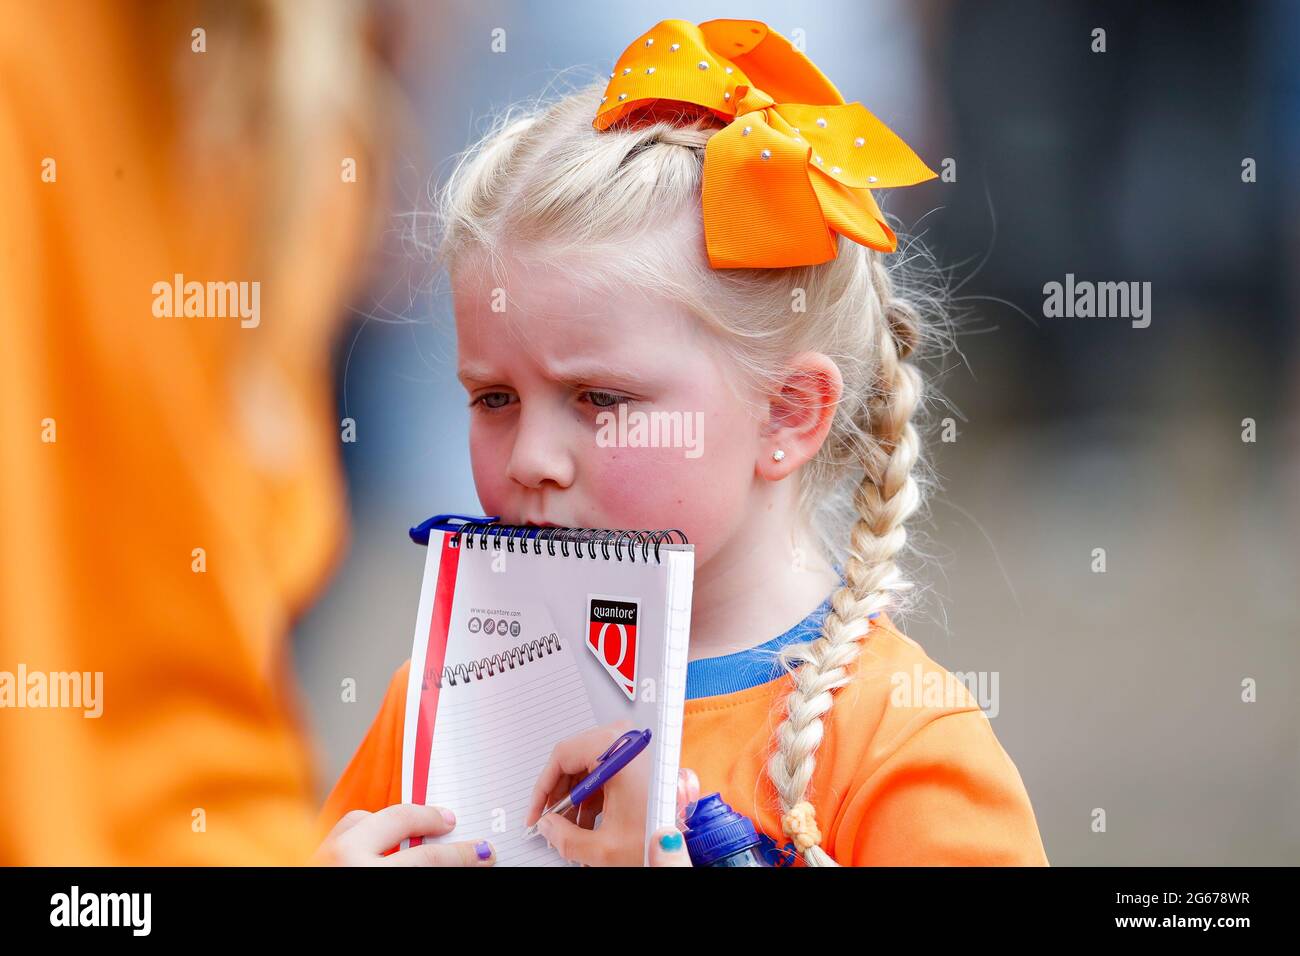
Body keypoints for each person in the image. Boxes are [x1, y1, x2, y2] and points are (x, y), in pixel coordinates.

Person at [319, 18, 1049, 866]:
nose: (528, 459)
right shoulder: (440, 705)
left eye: (599, 399)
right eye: (494, 397)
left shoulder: (902, 747)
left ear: (788, 415)